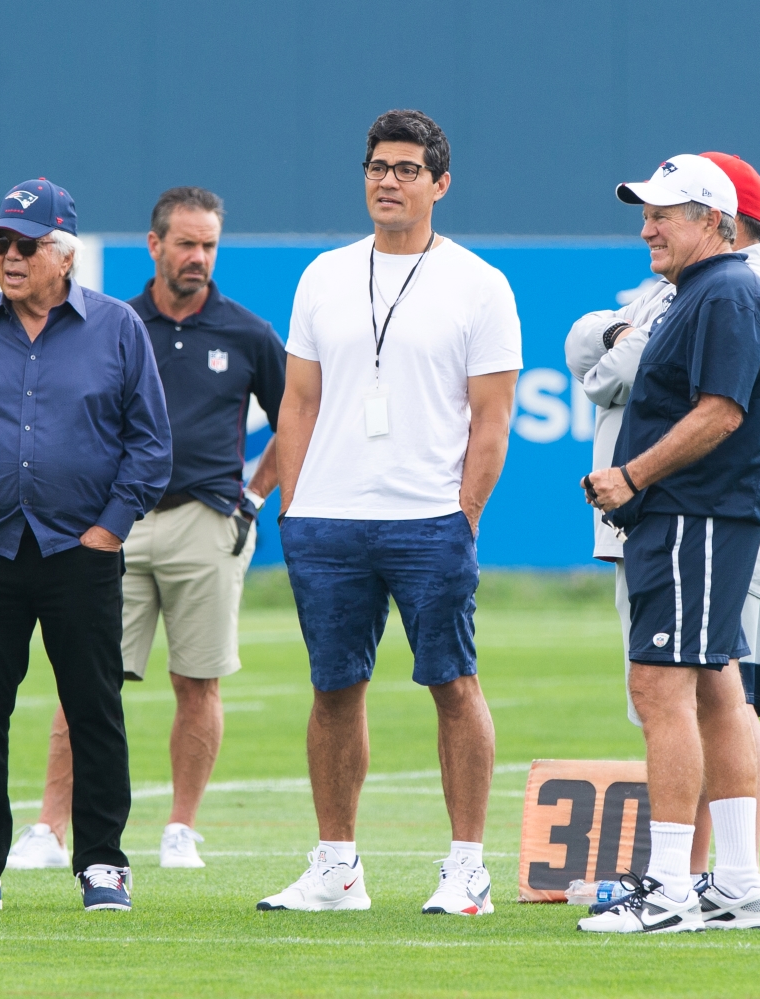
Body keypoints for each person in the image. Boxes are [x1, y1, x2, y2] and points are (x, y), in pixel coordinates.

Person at [259, 109, 521, 915]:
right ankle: (336, 867)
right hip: (327, 520)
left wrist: (462, 512)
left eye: (407, 169)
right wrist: (295, 505)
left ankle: (467, 865)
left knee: (452, 682)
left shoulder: (479, 284)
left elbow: (492, 417)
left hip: (427, 519)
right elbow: (297, 401)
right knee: (333, 689)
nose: (388, 181)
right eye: (378, 166)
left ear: (439, 184)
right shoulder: (323, 276)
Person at [6, 187, 287, 873]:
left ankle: (180, 828)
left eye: (209, 245)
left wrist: (252, 497)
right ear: (154, 244)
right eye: (186, 243)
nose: (198, 258)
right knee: (86, 677)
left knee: (198, 681)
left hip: (206, 522)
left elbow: (297, 420)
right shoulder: (108, 324)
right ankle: (48, 826)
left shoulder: (246, 332)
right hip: (114, 526)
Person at [0, 179, 172, 913]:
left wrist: (106, 532)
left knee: (93, 706)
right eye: (0, 243)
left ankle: (102, 862)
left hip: (79, 552)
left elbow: (150, 446)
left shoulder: (118, 328)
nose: (9, 256)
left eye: (24, 244)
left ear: (64, 255)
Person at [576, 154, 760, 934]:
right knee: (714, 690)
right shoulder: (699, 291)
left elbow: (721, 411)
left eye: (665, 213)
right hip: (695, 514)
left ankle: (667, 890)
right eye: (646, 212)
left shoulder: (724, 292)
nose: (646, 227)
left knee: (660, 691)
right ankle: (734, 883)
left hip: (693, 513)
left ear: (714, 222)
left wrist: (631, 474)